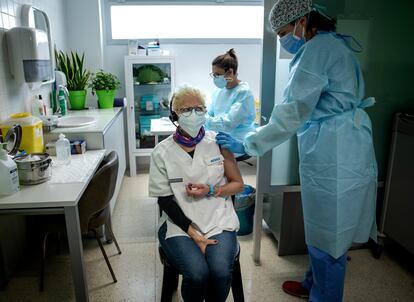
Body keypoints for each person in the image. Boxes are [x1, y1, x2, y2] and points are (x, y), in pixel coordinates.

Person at [216, 0, 378, 301]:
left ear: (302, 21)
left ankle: (322, 295)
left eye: (282, 32)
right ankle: (311, 284)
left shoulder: (317, 51)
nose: (283, 40)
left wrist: (249, 144)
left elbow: (291, 112)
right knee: (324, 224)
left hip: (336, 149)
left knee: (330, 230)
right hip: (339, 142)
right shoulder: (331, 45)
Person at [149, 85, 244, 302]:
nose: (194, 114)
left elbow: (238, 184)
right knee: (198, 274)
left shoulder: (218, 143)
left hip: (218, 221)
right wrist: (194, 234)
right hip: (179, 225)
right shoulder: (161, 152)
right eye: (186, 110)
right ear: (175, 115)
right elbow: (165, 200)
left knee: (219, 272)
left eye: (199, 109)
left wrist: (212, 189)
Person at [206, 48, 256, 141]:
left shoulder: (243, 93)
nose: (215, 78)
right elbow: (210, 113)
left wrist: (202, 119)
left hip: (239, 144)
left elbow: (228, 124)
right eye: (213, 74)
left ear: (230, 73)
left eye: (217, 74)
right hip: (221, 141)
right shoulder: (219, 91)